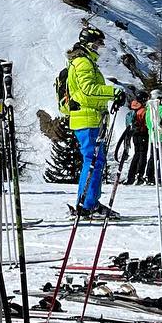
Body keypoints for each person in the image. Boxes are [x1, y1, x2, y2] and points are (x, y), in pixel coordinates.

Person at [64, 27, 123, 218]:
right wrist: (112, 92)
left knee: (96, 161)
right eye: (98, 44)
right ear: (89, 44)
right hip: (86, 119)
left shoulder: (85, 62)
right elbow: (88, 89)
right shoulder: (82, 63)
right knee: (93, 161)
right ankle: (87, 205)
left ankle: (90, 202)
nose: (100, 48)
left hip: (91, 117)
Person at [119, 98, 150, 185]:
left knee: (136, 154)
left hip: (134, 135)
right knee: (142, 155)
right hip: (143, 134)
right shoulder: (143, 110)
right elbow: (146, 122)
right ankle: (139, 175)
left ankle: (131, 176)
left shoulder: (133, 109)